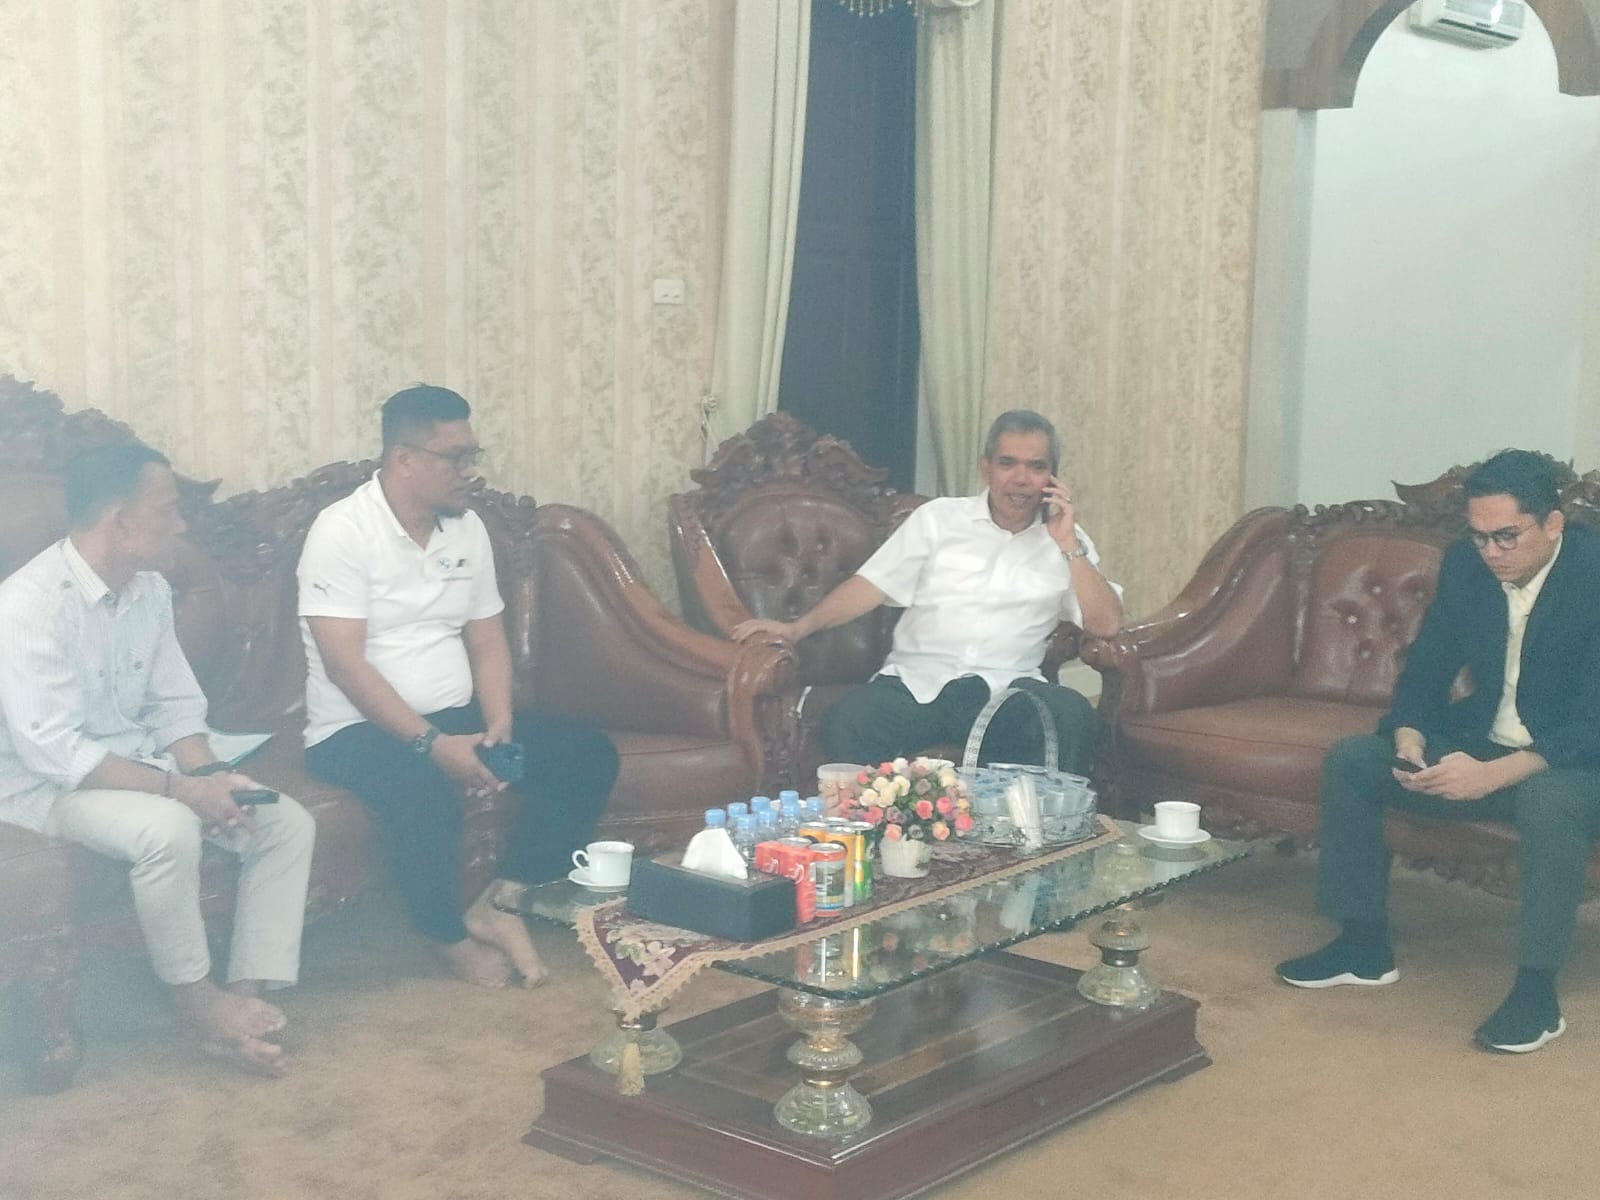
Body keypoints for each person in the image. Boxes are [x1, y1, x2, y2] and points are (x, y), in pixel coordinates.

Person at [0, 444, 316, 1077]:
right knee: (166, 829)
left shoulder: (147, 590)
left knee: (280, 820)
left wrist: (211, 779)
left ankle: (241, 999)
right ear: (120, 521)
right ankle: (198, 1004)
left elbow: (174, 708)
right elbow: (57, 752)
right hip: (43, 788)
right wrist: (183, 792)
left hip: (134, 769)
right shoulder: (28, 606)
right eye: (169, 510)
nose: (182, 524)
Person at [1277, 449, 1600, 1054]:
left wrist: (1495, 775)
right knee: (1355, 761)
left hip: (1576, 761)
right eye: (1480, 537)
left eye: (1506, 536)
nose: (1491, 552)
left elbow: (1593, 720)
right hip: (1484, 740)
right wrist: (1409, 736)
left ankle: (1536, 991)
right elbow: (1427, 669)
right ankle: (1362, 945)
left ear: (1553, 524)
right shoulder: (1466, 565)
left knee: (1549, 803)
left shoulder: (1594, 575)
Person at [298, 384, 617, 989]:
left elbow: (487, 639)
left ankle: (503, 899)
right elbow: (345, 665)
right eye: (456, 457)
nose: (470, 471)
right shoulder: (341, 531)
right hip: (353, 730)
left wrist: (497, 724)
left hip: (456, 715)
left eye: (473, 454)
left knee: (585, 754)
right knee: (421, 788)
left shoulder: (465, 528)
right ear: (404, 459)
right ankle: (445, 937)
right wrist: (432, 744)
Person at [735, 410, 1122, 773]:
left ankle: (1027, 823)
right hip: (917, 684)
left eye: (1036, 466)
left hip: (1006, 693)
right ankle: (890, 820)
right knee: (847, 722)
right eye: (1008, 463)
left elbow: (1105, 624)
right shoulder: (938, 519)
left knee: (1070, 716)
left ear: (1052, 478)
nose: (1021, 479)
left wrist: (1068, 545)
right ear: (986, 468)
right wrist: (797, 628)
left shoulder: (1067, 543)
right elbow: (870, 587)